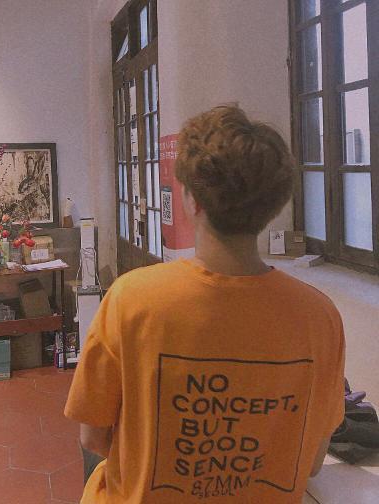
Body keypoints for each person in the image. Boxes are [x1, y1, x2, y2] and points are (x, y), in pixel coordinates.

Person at [64, 105, 345, 503]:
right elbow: (312, 461)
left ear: (193, 200)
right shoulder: (319, 317)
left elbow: (93, 438)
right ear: (273, 207)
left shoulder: (131, 299)